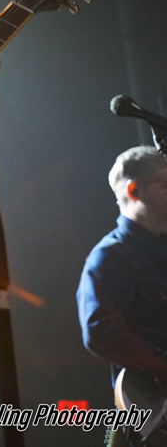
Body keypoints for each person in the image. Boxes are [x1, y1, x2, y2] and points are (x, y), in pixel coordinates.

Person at [77, 146, 167, 446]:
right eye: (164, 184)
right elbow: (99, 330)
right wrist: (160, 366)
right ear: (133, 189)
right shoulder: (110, 257)